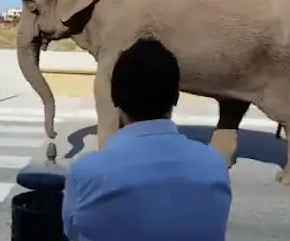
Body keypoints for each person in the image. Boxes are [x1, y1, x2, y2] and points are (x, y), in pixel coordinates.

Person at [62, 38, 232, 241]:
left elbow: (71, 233)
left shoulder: (87, 173)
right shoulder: (214, 165)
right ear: (175, 97)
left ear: (115, 99)